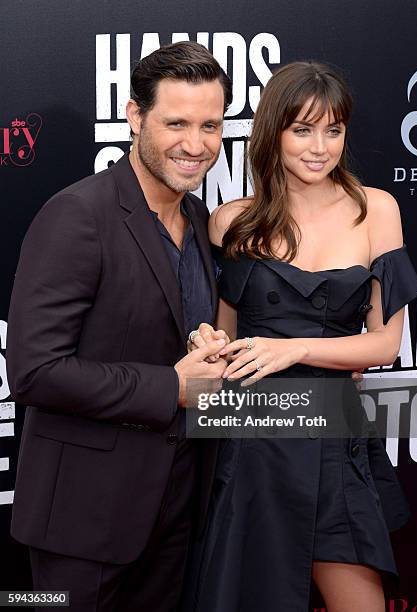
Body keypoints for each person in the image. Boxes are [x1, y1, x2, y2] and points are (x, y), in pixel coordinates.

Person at [184, 61, 417, 612]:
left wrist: (293, 348)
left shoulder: (377, 210)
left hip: (334, 436)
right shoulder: (231, 222)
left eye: (333, 130)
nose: (320, 147)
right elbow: (222, 338)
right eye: (303, 129)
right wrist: (210, 347)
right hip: (251, 436)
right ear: (273, 133)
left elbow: (384, 345)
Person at [6, 41, 232, 612]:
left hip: (178, 507)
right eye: (176, 122)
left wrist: (208, 351)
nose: (196, 144)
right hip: (83, 523)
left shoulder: (197, 217)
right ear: (135, 117)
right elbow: (34, 371)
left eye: (211, 125)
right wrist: (173, 387)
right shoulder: (78, 214)